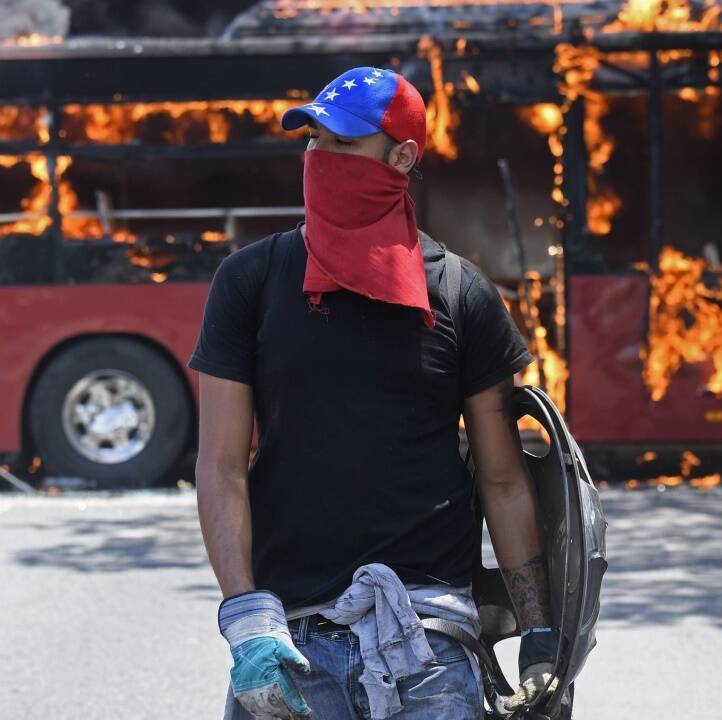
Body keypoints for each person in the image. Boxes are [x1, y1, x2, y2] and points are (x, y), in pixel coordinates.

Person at [191, 67, 559, 720]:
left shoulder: (463, 295)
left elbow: (503, 481)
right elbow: (221, 466)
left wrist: (539, 633)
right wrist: (246, 618)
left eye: (343, 143)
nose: (320, 157)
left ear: (402, 157)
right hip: (289, 640)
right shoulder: (250, 281)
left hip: (430, 645)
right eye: (313, 140)